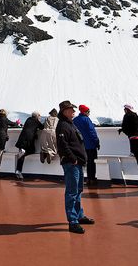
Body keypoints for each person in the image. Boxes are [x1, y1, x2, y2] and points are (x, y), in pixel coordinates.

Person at [56, 100, 94, 234]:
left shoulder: (69, 124)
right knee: (72, 192)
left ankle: (79, 215)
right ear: (64, 111)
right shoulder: (63, 126)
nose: (74, 112)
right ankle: (73, 222)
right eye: (71, 110)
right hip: (71, 163)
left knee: (78, 190)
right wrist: (73, 159)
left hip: (77, 163)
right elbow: (62, 145)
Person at [118, 104, 138, 187]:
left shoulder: (127, 116)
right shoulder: (136, 115)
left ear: (126, 110)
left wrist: (124, 131)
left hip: (135, 139)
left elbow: (125, 128)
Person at [73, 104, 100, 186]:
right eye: (88, 112)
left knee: (81, 163)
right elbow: (92, 132)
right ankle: (91, 179)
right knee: (91, 162)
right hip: (90, 145)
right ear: (85, 112)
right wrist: (97, 142)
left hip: (80, 146)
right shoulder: (86, 119)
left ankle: (83, 179)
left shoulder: (75, 120)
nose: (89, 113)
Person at [15, 111, 43, 179]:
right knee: (32, 151)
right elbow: (42, 127)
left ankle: (19, 171)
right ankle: (22, 155)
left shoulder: (28, 119)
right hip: (28, 139)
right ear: (37, 116)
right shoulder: (36, 121)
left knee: (22, 156)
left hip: (22, 138)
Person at [0, 109, 18, 176]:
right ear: (5, 113)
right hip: (1, 137)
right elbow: (13, 124)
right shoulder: (4, 119)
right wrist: (17, 122)